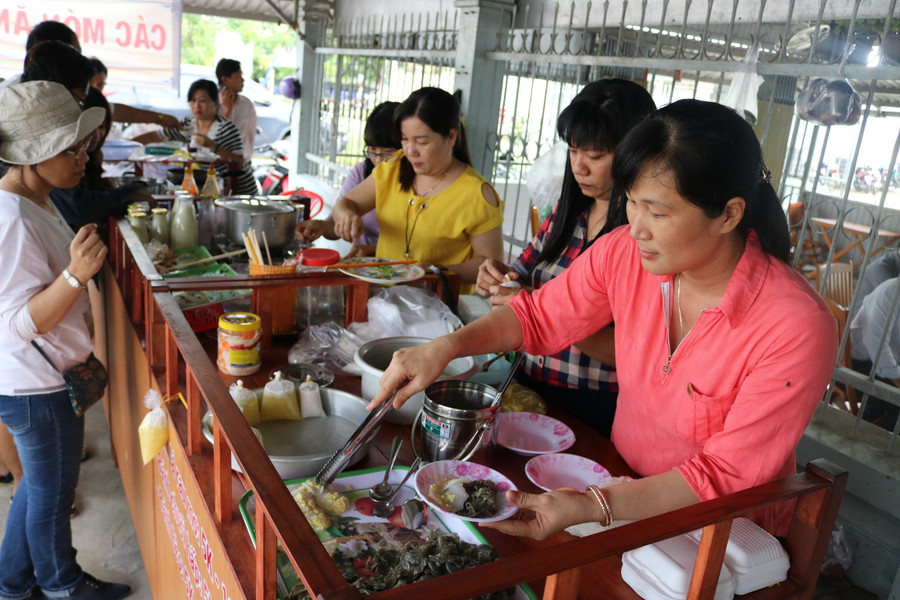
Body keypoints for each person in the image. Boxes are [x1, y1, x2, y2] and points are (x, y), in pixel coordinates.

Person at [370, 99, 837, 539]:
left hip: (722, 534)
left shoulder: (794, 325)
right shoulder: (624, 253)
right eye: (632, 202)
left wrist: (594, 506)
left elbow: (726, 476)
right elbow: (535, 317)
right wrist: (445, 348)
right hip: (621, 484)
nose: (636, 227)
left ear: (729, 215)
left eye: (657, 211)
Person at [0, 80, 132, 600]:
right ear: (32, 157)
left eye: (83, 145)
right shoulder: (13, 219)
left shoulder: (33, 199)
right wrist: (75, 276)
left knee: (37, 489)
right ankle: (62, 585)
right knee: (52, 496)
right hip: (36, 386)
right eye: (70, 148)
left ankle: (11, 584)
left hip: (34, 380)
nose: (83, 157)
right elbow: (15, 322)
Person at [475, 79, 656, 436]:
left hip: (595, 407)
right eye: (573, 151)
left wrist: (548, 313)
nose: (579, 167)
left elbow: (634, 352)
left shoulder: (643, 237)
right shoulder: (567, 214)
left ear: (633, 151)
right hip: (530, 388)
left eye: (596, 155)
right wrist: (499, 276)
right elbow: (523, 272)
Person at [297, 87, 504, 293]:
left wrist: (435, 269)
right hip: (382, 297)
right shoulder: (393, 169)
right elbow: (346, 203)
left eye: (422, 142)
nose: (410, 151)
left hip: (437, 307)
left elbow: (489, 264)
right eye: (405, 139)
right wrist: (348, 216)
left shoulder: (477, 194)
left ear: (451, 137)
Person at [0, 21, 179, 130]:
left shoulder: (57, 93)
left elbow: (107, 110)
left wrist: (159, 118)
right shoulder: (13, 98)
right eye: (75, 52)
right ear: (49, 51)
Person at [296, 101, 399, 258]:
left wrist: (375, 251)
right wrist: (322, 226)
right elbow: (338, 218)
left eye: (387, 152)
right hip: (363, 269)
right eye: (372, 151)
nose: (378, 161)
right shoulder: (362, 172)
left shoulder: (417, 182)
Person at [51, 87, 154, 229]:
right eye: (91, 126)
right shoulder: (62, 158)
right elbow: (78, 208)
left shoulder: (90, 157)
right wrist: (127, 193)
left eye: (102, 127)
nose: (97, 134)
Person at [134, 79, 259, 195]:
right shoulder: (188, 126)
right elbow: (156, 136)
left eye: (203, 100)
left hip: (239, 192)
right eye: (193, 100)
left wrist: (212, 146)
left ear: (215, 103)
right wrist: (126, 146)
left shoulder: (225, 128)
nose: (197, 105)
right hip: (215, 189)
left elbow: (240, 162)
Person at [849, 251, 900, 430]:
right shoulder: (889, 290)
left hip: (880, 359)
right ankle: (873, 441)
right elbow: (878, 348)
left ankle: (871, 418)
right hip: (858, 363)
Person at [216, 58, 258, 163]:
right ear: (225, 79)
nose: (242, 80)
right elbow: (215, 134)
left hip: (242, 162)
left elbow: (250, 135)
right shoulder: (213, 104)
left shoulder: (246, 104)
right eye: (238, 76)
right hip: (219, 163)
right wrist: (227, 109)